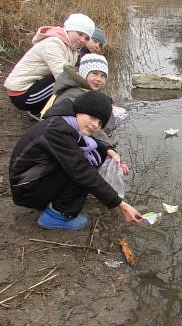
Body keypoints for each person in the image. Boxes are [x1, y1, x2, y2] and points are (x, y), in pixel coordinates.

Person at [9, 91, 142, 230]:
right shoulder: (55, 131)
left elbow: (89, 142)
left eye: (100, 122)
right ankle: (56, 216)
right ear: (80, 109)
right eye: (92, 117)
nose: (95, 125)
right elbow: (82, 171)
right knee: (86, 167)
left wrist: (109, 150)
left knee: (96, 153)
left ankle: (57, 202)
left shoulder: (64, 122)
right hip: (27, 191)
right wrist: (120, 204)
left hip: (33, 181)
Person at [4, 13, 95, 117]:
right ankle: (47, 113)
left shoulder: (73, 49)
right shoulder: (53, 43)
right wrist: (91, 94)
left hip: (34, 87)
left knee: (72, 79)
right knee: (65, 80)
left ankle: (39, 110)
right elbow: (62, 76)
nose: (83, 40)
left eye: (87, 38)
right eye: (79, 34)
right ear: (69, 29)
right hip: (21, 94)